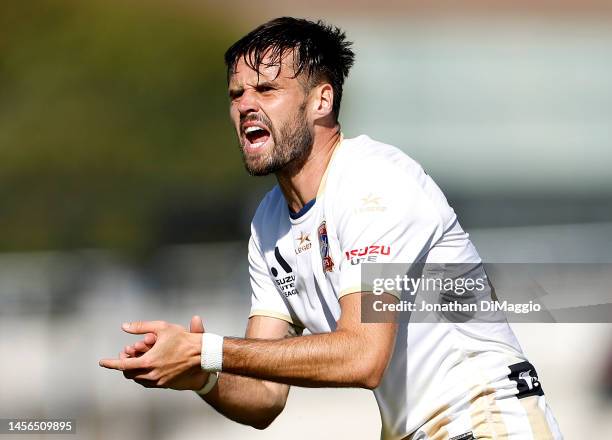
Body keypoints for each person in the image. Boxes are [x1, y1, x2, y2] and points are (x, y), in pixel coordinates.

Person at [99, 17, 563, 439]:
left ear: (321, 99)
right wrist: (202, 377)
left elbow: (363, 356)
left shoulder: (374, 183)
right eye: (236, 94)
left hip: (487, 420)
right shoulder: (268, 222)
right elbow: (263, 397)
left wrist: (209, 351)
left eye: (266, 90)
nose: (246, 107)